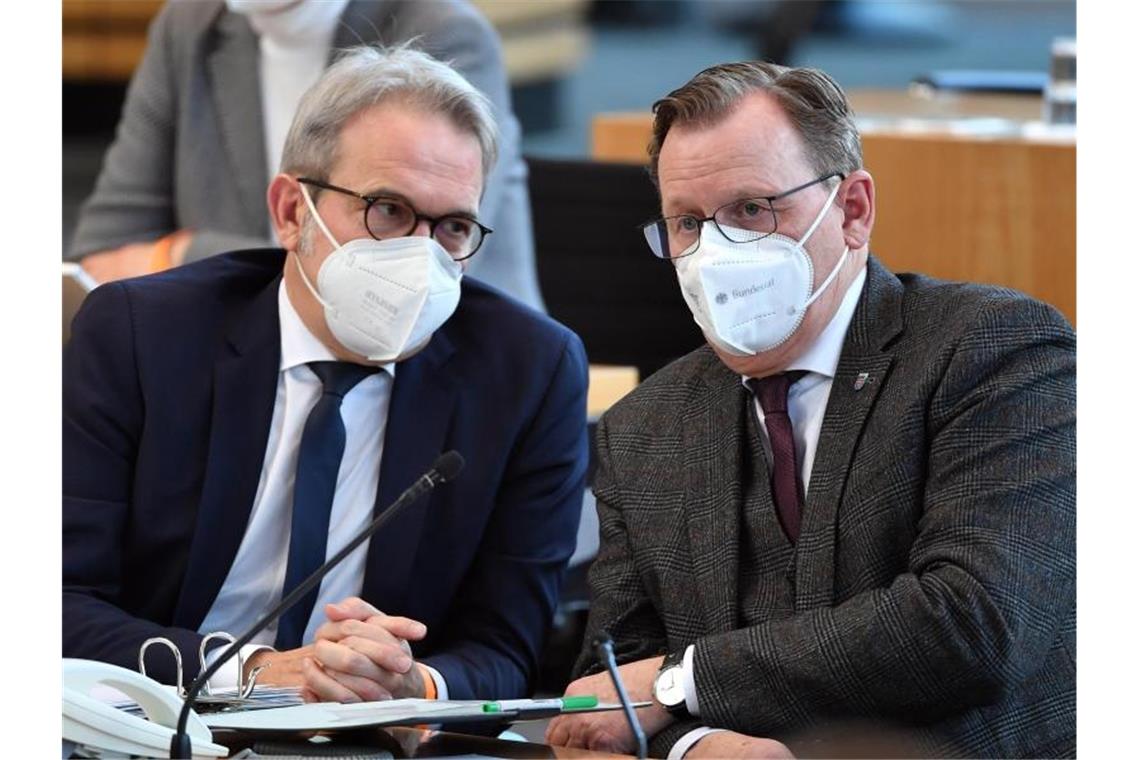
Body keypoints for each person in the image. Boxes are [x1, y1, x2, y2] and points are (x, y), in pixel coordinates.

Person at [546, 61, 1075, 759]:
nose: (714, 252)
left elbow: (971, 626)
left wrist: (689, 684)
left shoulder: (995, 351)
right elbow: (612, 681)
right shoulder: (643, 425)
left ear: (853, 210)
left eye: (751, 210)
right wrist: (697, 744)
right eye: (687, 223)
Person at [63, 44, 587, 704]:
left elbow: (509, 646)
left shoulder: (529, 372)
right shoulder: (142, 335)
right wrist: (253, 671)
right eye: (388, 211)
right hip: (162, 720)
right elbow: (57, 605)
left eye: (452, 227)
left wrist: (413, 683)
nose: (419, 255)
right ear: (290, 212)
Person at [67, 0, 545, 311]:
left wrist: (180, 253)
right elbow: (100, 259)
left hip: (449, 368)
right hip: (234, 363)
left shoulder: (442, 30)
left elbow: (406, 279)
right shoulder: (190, 26)